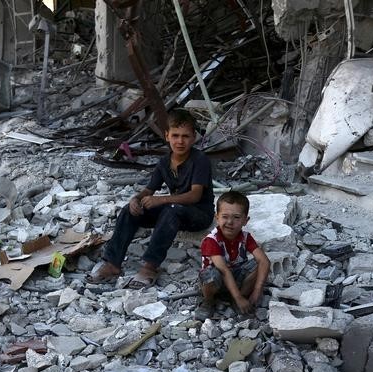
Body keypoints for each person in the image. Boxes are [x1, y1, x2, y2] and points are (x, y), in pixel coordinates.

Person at [88, 109, 214, 289]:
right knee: (128, 210)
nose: (180, 141)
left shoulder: (200, 159)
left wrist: (161, 200)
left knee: (171, 210)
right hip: (174, 210)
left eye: (185, 136)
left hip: (198, 214)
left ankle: (149, 267)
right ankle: (113, 263)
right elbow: (148, 190)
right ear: (167, 135)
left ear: (193, 137)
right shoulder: (164, 161)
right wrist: (136, 199)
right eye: (175, 135)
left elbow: (195, 195)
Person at [194, 191, 270, 320]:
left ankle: (239, 297)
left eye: (236, 217)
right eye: (225, 216)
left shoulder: (246, 237)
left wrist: (257, 290)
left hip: (236, 278)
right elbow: (223, 270)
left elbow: (264, 261)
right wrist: (239, 298)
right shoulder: (211, 240)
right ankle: (208, 301)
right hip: (217, 281)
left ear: (246, 220)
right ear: (217, 217)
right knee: (210, 275)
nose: (230, 221)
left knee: (258, 264)